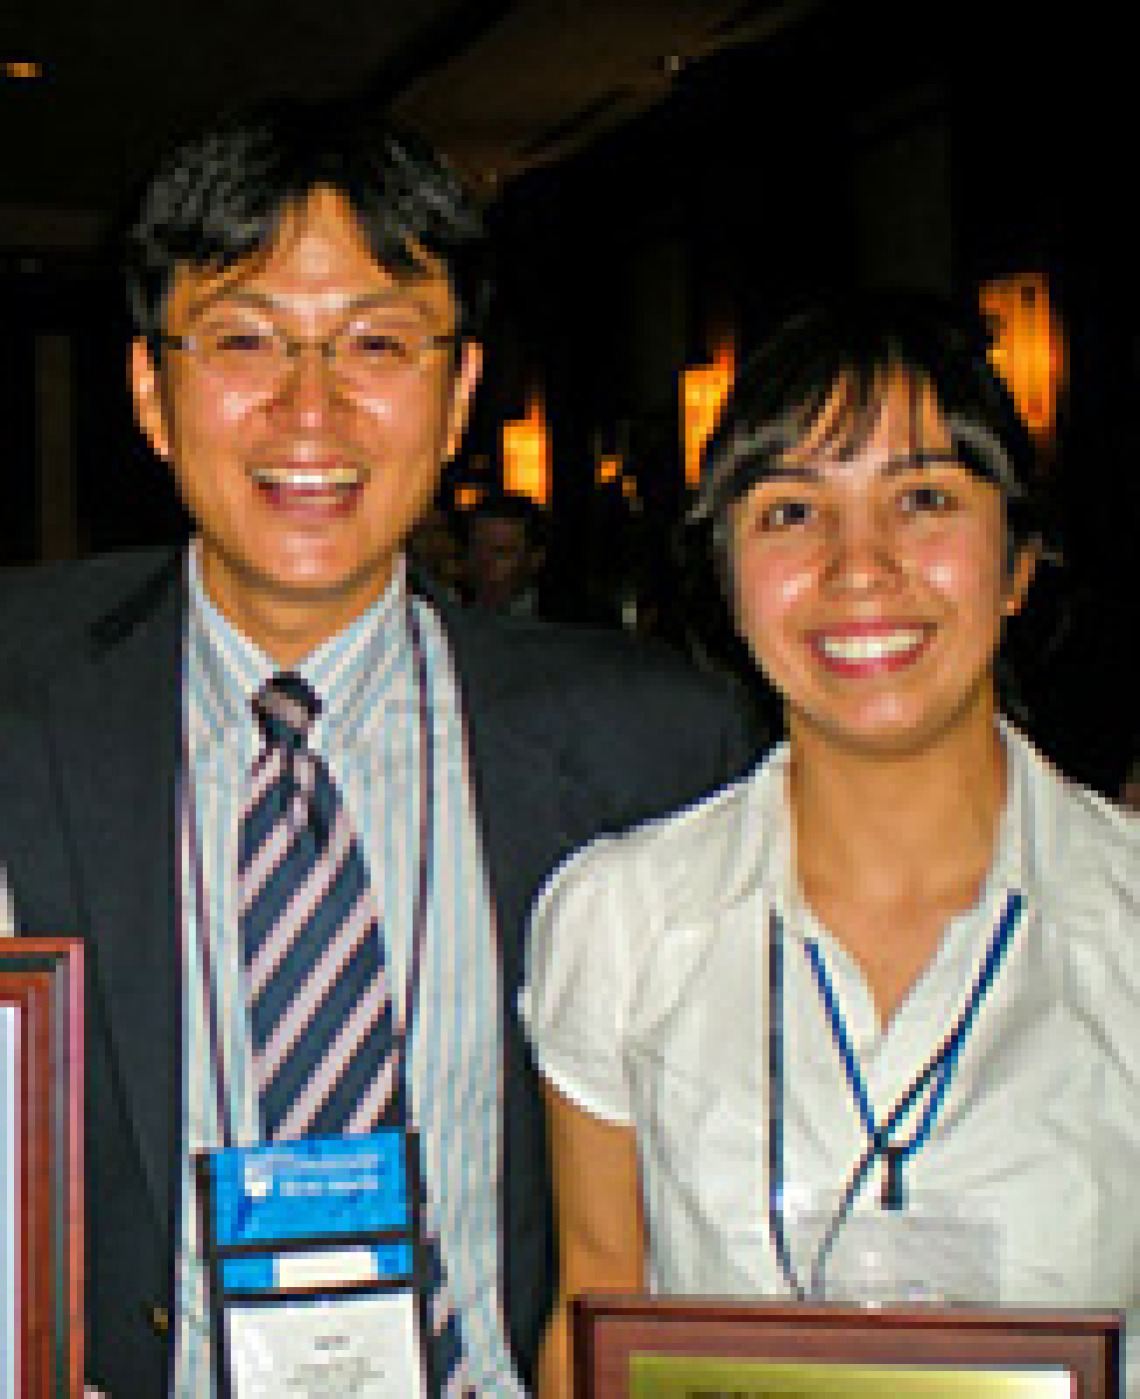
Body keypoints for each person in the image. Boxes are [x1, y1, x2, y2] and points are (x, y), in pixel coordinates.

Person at [0, 100, 762, 1396]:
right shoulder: (17, 688)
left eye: (376, 342)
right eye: (246, 338)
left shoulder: (659, 744)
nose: (312, 407)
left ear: (460, 390)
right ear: (150, 390)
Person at [521, 293, 1140, 1398]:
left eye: (924, 499)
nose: (862, 566)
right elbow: (595, 1309)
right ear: (730, 581)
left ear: (1016, 562)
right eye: (792, 513)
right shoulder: (617, 918)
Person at [464, 488, 549, 617]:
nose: (484, 562)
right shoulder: (446, 620)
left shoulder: (558, 628)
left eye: (500, 553)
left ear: (534, 559)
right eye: (477, 548)